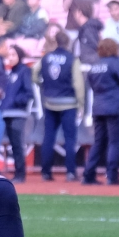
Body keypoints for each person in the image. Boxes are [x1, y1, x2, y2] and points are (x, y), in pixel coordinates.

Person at [83, 39, 119, 186]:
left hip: (98, 106)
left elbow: (91, 84)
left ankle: (88, 175)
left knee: (98, 142)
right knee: (115, 142)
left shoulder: (95, 66)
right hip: (116, 107)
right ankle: (112, 175)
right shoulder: (117, 64)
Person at [37, 32, 82, 180]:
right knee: (70, 138)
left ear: (56, 42)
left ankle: (45, 172)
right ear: (68, 43)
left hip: (50, 102)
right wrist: (81, 103)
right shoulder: (72, 59)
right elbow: (78, 83)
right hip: (68, 103)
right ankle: (70, 172)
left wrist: (43, 85)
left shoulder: (46, 58)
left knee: (48, 138)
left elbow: (34, 73)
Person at [0, 43, 33, 182]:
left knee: (17, 144)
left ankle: (20, 174)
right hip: (8, 113)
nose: (10, 58)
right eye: (8, 55)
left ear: (20, 56)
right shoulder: (10, 72)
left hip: (18, 113)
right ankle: (18, 173)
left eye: (13, 55)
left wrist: (15, 101)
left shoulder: (24, 71)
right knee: (13, 144)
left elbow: (29, 92)